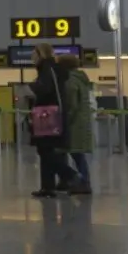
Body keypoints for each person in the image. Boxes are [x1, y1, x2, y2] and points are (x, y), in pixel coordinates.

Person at [28, 43, 78, 198]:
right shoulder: (52, 69)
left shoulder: (47, 69)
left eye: (33, 53)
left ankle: (71, 176)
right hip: (53, 115)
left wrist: (31, 87)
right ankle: (47, 187)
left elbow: (45, 90)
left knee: (46, 151)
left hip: (48, 116)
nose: (32, 57)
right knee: (46, 151)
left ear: (40, 54)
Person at [59, 54, 93, 194]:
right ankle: (72, 180)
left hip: (74, 123)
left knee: (75, 154)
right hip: (81, 121)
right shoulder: (81, 79)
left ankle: (83, 181)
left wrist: (64, 120)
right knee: (76, 153)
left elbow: (71, 104)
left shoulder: (70, 81)